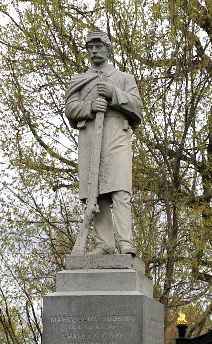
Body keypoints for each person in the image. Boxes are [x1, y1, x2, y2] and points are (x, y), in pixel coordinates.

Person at [64, 31, 143, 255]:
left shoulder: (124, 79)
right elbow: (70, 109)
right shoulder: (79, 80)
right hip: (90, 138)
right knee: (95, 193)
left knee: (119, 190)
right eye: (89, 47)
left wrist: (113, 94)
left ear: (108, 49)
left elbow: (137, 108)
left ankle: (125, 243)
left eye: (98, 46)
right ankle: (104, 244)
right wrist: (89, 108)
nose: (94, 51)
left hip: (117, 135)